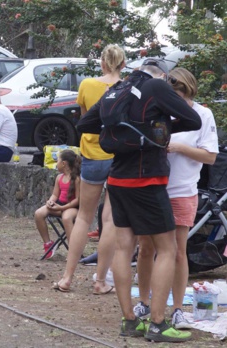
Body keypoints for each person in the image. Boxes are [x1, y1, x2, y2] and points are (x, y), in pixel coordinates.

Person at [77, 58, 202, 342]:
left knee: (124, 249)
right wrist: (154, 130)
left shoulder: (117, 89)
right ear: (163, 76)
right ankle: (158, 323)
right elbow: (192, 119)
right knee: (167, 249)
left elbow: (85, 122)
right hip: (147, 179)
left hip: (118, 179)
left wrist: (124, 131)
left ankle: (130, 321)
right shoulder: (157, 87)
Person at [134, 67, 218, 329]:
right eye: (172, 96)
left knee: (178, 252)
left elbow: (210, 157)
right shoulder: (157, 112)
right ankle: (144, 302)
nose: (176, 102)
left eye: (180, 96)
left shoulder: (203, 115)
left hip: (183, 191)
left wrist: (180, 147)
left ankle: (178, 308)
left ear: (189, 90)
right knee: (146, 249)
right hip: (151, 188)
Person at [53, 44, 125, 295]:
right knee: (110, 220)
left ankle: (67, 278)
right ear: (123, 65)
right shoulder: (128, 89)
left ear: (102, 64)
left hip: (92, 156)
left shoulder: (87, 86)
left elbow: (87, 119)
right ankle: (100, 281)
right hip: (118, 159)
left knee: (84, 216)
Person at [34, 149, 81, 259]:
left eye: (57, 161)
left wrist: (63, 207)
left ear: (63, 163)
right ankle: (48, 243)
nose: (56, 163)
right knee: (39, 213)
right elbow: (55, 195)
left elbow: (78, 199)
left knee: (66, 218)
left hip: (72, 206)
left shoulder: (77, 179)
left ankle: (73, 250)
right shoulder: (59, 177)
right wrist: (51, 201)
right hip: (60, 205)